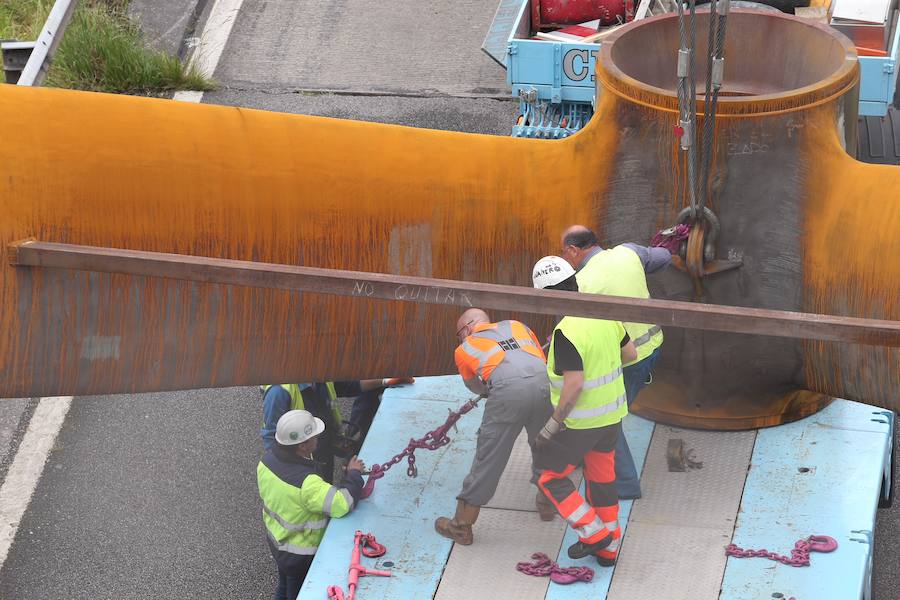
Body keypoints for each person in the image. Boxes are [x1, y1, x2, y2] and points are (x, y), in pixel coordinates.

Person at [532, 255, 638, 567]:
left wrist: (553, 423)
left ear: (545, 296)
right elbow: (630, 353)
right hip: (612, 420)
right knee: (602, 482)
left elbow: (574, 385)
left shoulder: (566, 333)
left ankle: (592, 533)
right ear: (575, 282)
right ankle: (609, 550)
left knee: (549, 475)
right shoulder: (604, 315)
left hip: (580, 425)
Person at [560, 225, 671, 500]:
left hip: (622, 360)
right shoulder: (629, 253)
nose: (564, 257)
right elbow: (663, 257)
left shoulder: (580, 283)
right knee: (612, 414)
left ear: (574, 250)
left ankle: (623, 484)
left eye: (564, 252)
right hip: (651, 350)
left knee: (605, 420)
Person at [434, 308, 556, 545]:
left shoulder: (465, 347)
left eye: (459, 334)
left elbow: (475, 387)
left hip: (508, 394)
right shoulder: (517, 325)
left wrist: (492, 390)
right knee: (545, 446)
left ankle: (461, 527)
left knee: (489, 457)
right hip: (545, 385)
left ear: (467, 329)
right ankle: (548, 504)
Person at [257, 409, 366, 599]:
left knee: (283, 586)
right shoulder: (307, 483)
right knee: (296, 592)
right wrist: (353, 475)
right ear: (302, 445)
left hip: (277, 542)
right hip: (300, 554)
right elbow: (342, 503)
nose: (318, 439)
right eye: (314, 436)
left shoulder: (266, 462)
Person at [261, 380, 409, 482]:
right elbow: (272, 438)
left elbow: (348, 386)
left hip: (320, 449)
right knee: (320, 500)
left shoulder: (318, 376)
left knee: (324, 489)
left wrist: (384, 381)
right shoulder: (279, 392)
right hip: (306, 460)